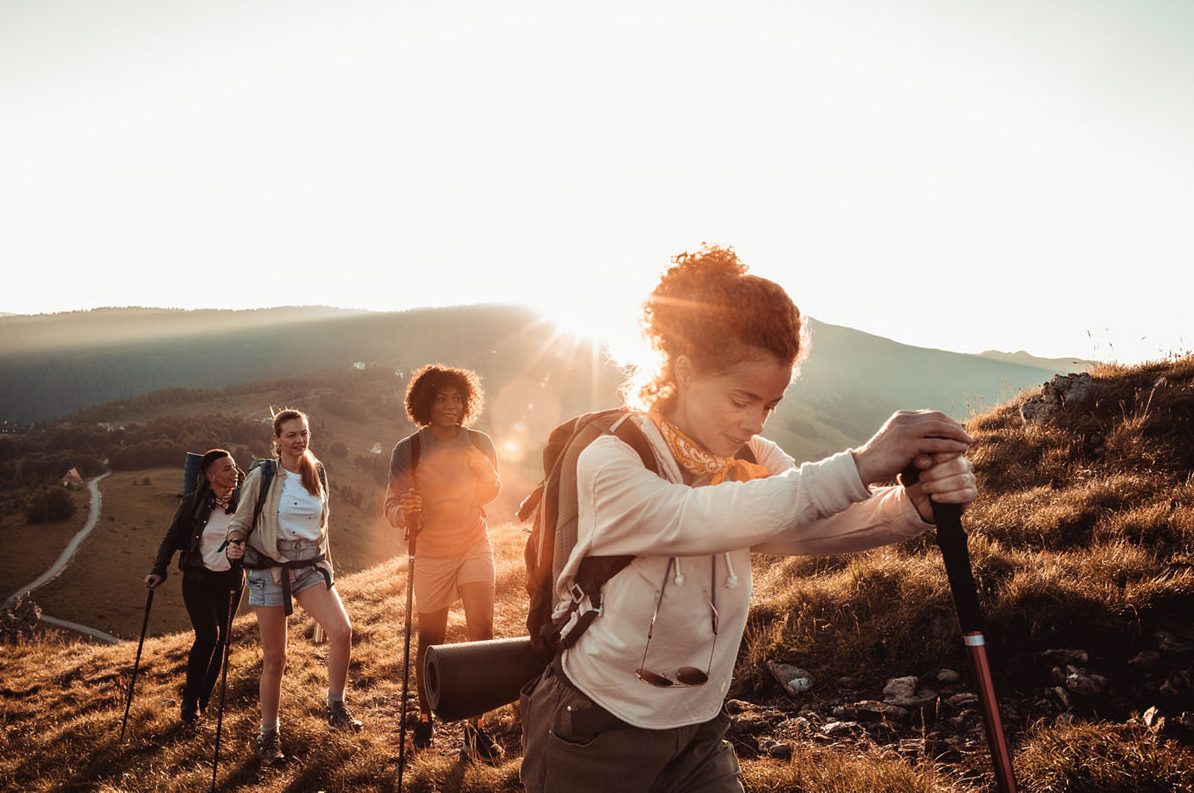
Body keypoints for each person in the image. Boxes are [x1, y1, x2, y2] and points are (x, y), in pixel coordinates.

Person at [519, 245, 979, 793]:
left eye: (770, 404)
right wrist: (861, 464)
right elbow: (695, 519)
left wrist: (912, 509)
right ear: (685, 371)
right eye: (742, 399)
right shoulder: (611, 457)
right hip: (596, 727)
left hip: (699, 726)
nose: (754, 420)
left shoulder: (753, 458)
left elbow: (805, 521)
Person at [225, 408, 361, 765]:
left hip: (309, 567)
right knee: (275, 658)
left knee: (342, 631)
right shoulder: (263, 475)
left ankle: (336, 708)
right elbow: (239, 521)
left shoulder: (317, 472)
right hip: (269, 569)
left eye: (303, 433)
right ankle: (268, 735)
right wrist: (235, 541)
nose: (299, 440)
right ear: (277, 440)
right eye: (291, 435)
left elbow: (323, 524)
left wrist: (327, 566)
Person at [384, 364, 504, 761]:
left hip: (473, 542)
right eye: (441, 398)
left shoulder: (479, 441)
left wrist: (486, 473)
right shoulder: (410, 448)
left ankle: (475, 728)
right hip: (431, 551)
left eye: (457, 398)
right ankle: (424, 716)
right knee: (429, 640)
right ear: (425, 403)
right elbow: (392, 507)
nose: (452, 406)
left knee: (481, 634)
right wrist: (407, 510)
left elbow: (491, 490)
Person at [144, 448, 245, 724]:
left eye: (234, 467)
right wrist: (158, 569)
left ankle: (202, 700)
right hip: (198, 580)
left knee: (222, 640)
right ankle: (189, 701)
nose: (234, 471)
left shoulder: (246, 502)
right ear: (210, 476)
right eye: (226, 468)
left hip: (230, 581)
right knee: (208, 636)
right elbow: (171, 538)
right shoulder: (193, 503)